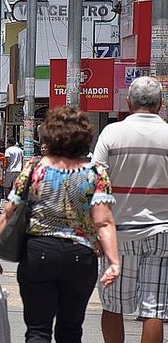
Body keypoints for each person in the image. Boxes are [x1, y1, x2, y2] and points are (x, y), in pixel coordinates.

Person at [0, 106, 120, 343]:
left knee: (37, 330)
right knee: (71, 330)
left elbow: (9, 212)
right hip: (81, 256)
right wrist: (113, 262)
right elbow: (103, 222)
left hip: (38, 253)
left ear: (48, 136)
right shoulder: (96, 173)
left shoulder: (35, 169)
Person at [93, 76, 168, 343]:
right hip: (162, 231)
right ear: (161, 103)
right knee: (154, 308)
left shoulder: (112, 133)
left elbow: (96, 184)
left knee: (113, 305)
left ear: (128, 102)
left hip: (117, 231)